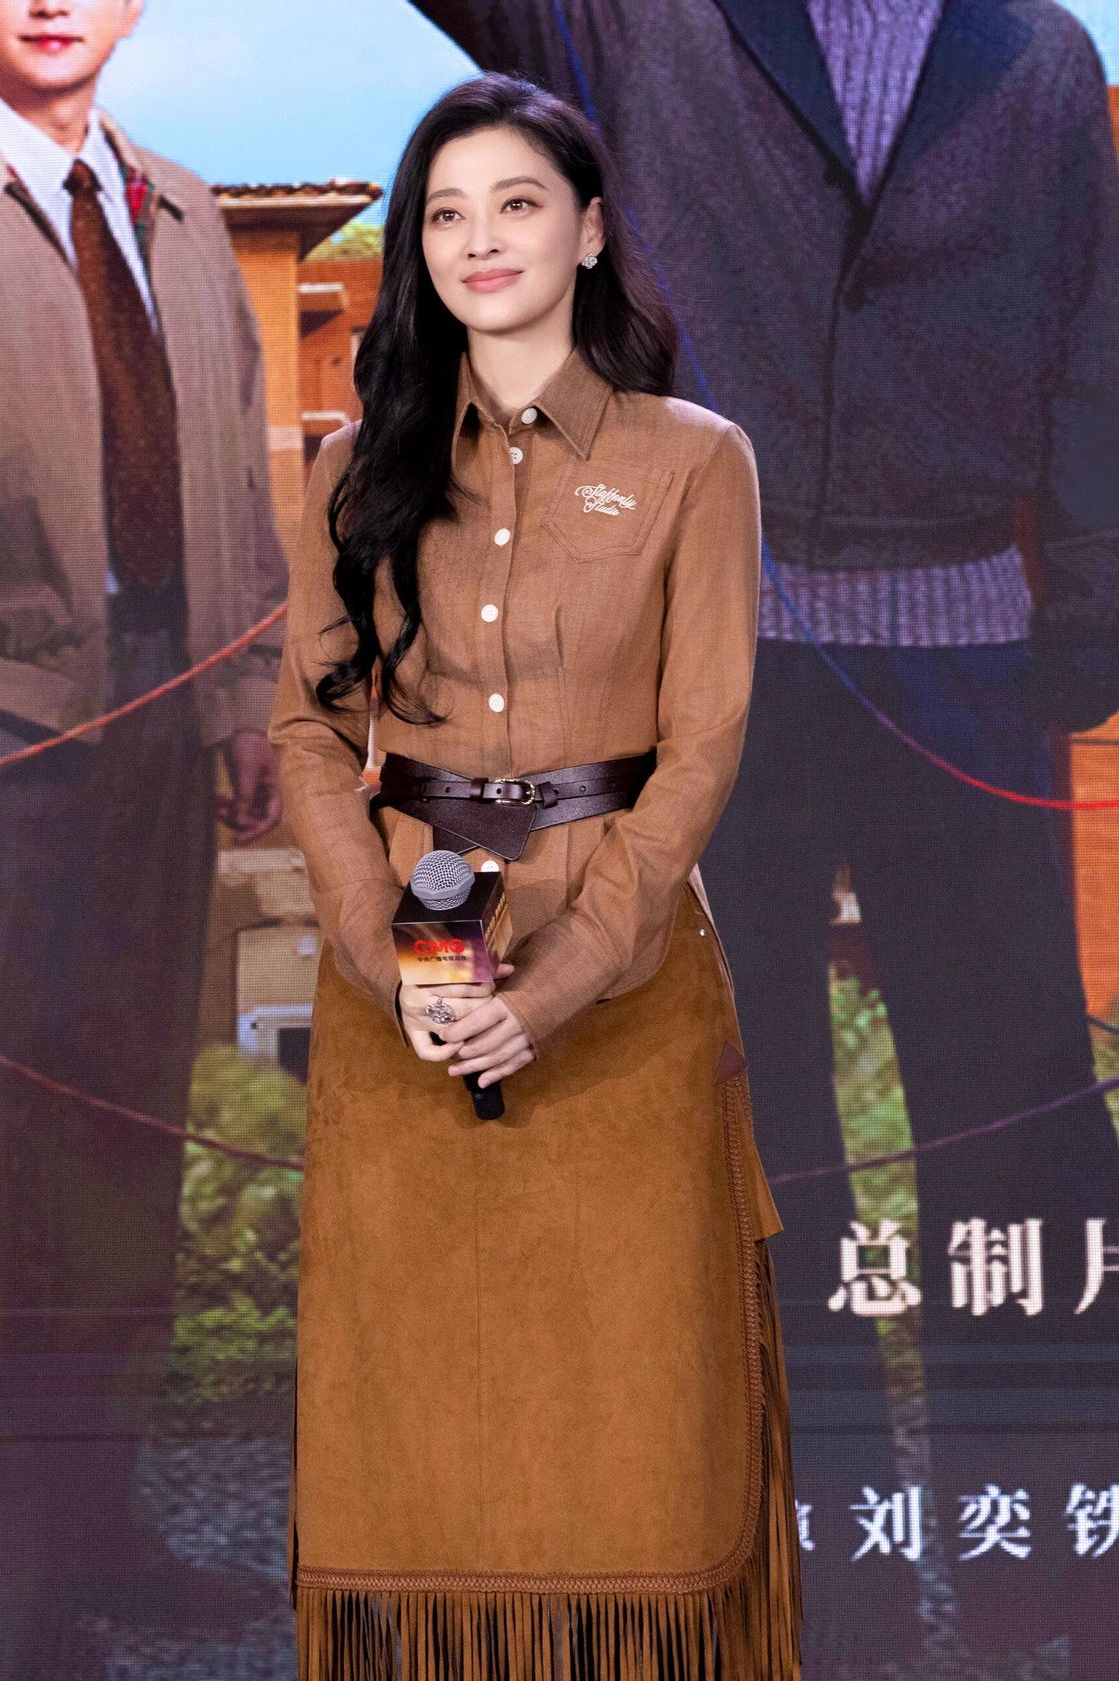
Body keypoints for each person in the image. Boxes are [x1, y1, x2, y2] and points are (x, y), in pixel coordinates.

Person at [409, 3, 1119, 1673]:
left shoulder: (1040, 59)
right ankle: (809, 1586)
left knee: (1024, 1124)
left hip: (968, 640)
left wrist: (1093, 594)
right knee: (742, 1129)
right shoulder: (638, 21)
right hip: (706, 645)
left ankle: (1051, 1578)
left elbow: (1098, 337)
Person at [269, 70, 801, 1681]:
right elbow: (309, 728)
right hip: (403, 1014)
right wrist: (381, 956)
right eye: (444, 212)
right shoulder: (354, 469)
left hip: (626, 1001)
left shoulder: (698, 462)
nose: (479, 238)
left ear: (587, 231)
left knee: (647, 1440)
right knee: (413, 1442)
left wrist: (558, 981)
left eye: (515, 203)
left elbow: (701, 752)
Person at [0, 0, 287, 1663]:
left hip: (165, 719)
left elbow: (235, 478)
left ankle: (95, 1533)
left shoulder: (183, 210)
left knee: (119, 1137)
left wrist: (244, 698)